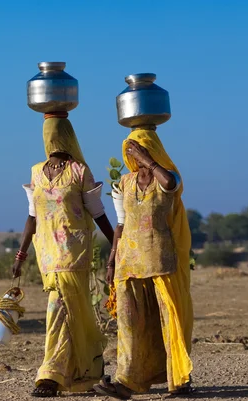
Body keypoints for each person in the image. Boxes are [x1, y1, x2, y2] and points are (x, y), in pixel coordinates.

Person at [12, 111, 115, 397]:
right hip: (47, 256)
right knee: (74, 314)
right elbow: (32, 218)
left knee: (58, 309)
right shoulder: (36, 172)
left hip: (74, 254)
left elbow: (99, 214)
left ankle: (49, 376)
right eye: (48, 133)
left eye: (56, 132)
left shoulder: (80, 171)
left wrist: (117, 248)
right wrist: (21, 254)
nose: (52, 139)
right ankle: (86, 372)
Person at [94, 127, 194, 399]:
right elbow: (121, 225)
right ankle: (127, 382)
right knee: (129, 324)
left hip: (161, 261)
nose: (132, 153)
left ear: (152, 149)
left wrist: (150, 161)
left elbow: (171, 185)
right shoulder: (123, 184)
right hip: (128, 264)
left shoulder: (168, 177)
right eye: (128, 149)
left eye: (137, 148)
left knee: (167, 320)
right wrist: (111, 262)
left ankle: (179, 381)